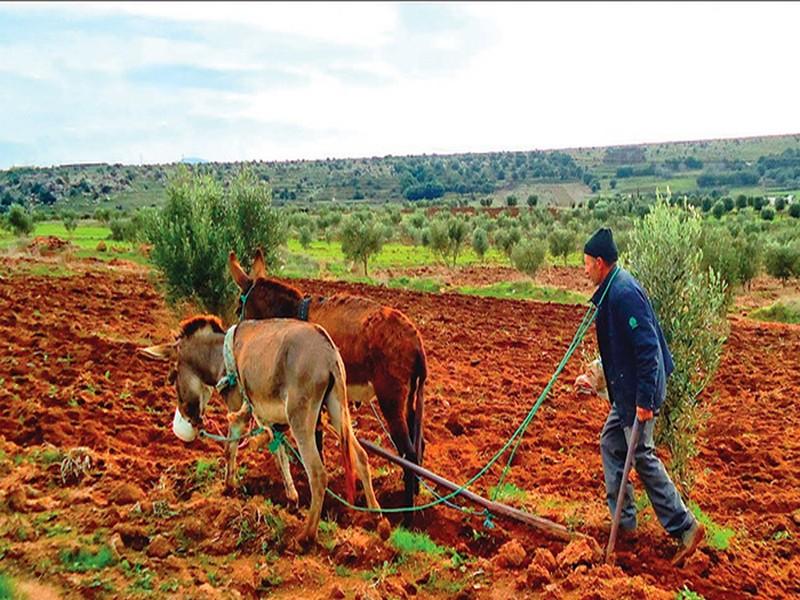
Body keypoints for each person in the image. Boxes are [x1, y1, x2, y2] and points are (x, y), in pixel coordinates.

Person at [576, 227, 705, 567]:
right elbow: (618, 351)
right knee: (611, 444)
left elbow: (647, 349)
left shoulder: (623, 294)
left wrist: (646, 401)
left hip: (638, 394)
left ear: (600, 262)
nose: (584, 270)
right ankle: (626, 524)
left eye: (587, 264)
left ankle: (685, 527)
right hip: (626, 392)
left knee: (643, 457)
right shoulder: (611, 291)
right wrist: (594, 378)